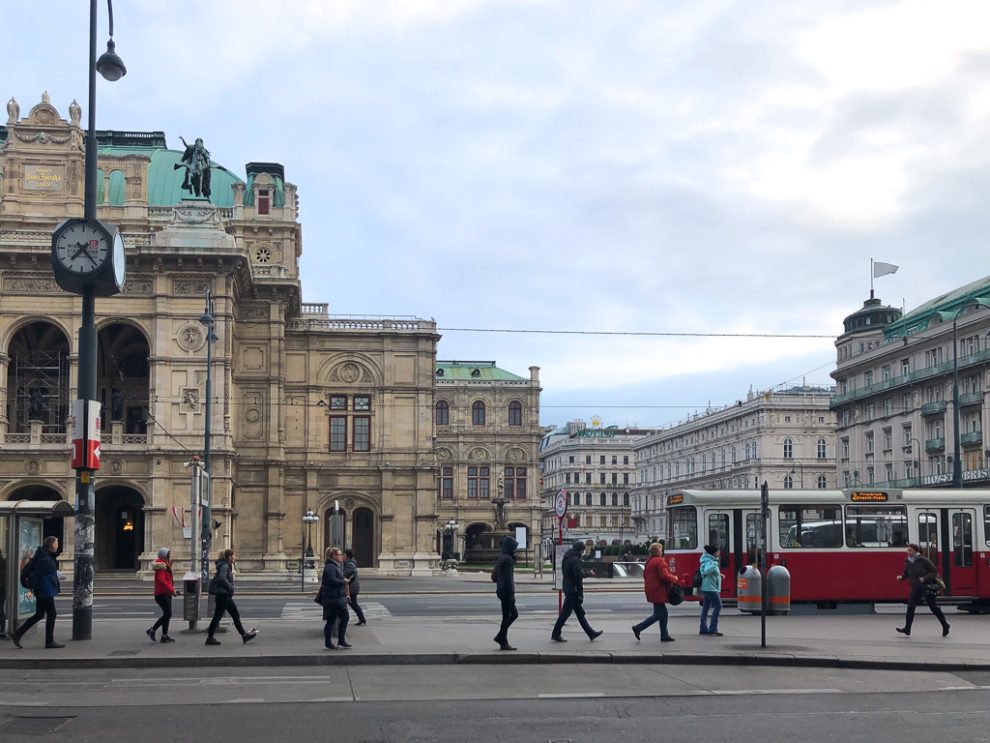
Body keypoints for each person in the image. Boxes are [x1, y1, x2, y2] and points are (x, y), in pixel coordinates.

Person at [11, 536, 63, 649]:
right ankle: (49, 641)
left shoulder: (42, 556)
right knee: (52, 614)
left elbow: (31, 572)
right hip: (45, 591)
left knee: (39, 614)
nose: (58, 545)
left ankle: (17, 634)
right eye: (56, 543)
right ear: (52, 545)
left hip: (42, 590)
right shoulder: (45, 559)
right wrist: (49, 591)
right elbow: (45, 577)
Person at [551, 540, 603, 642]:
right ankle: (555, 634)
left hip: (568, 587)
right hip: (573, 589)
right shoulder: (575, 560)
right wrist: (589, 573)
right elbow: (578, 574)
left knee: (579, 613)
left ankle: (591, 633)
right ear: (579, 550)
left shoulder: (567, 557)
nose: (583, 552)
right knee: (565, 614)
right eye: (582, 550)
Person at [896, 543, 950, 637]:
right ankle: (907, 629)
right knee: (910, 607)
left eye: (911, 550)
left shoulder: (924, 560)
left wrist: (924, 578)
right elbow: (907, 573)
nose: (908, 552)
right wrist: (901, 577)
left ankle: (945, 625)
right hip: (915, 587)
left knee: (933, 607)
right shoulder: (908, 561)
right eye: (908, 550)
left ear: (916, 551)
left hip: (927, 587)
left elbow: (934, 572)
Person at [205, 549, 258, 646]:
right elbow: (222, 578)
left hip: (225, 595)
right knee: (218, 617)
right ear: (230, 557)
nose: (235, 557)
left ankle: (244, 635)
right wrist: (230, 587)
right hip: (223, 595)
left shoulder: (226, 564)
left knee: (235, 614)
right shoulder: (225, 565)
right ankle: (210, 638)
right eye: (234, 555)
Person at [631, 541, 677, 642]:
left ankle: (664, 635)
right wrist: (674, 578)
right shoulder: (660, 561)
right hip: (659, 590)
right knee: (658, 614)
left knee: (663, 613)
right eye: (660, 549)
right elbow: (664, 577)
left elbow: (644, 576)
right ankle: (638, 628)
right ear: (657, 551)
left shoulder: (649, 561)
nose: (662, 551)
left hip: (652, 590)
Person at [320, 547, 351, 649]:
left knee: (333, 620)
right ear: (333, 556)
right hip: (334, 599)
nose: (341, 556)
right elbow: (331, 581)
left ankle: (334, 642)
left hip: (335, 598)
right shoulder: (331, 567)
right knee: (342, 618)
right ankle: (335, 642)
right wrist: (344, 581)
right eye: (338, 554)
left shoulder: (333, 566)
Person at [493, 535, 518, 651]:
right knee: (509, 616)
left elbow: (494, 577)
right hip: (507, 592)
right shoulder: (508, 559)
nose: (515, 550)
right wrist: (512, 594)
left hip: (501, 590)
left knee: (511, 615)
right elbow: (509, 579)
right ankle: (502, 639)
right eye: (514, 548)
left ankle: (501, 636)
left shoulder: (501, 557)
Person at [147, 548, 176, 643]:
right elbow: (161, 580)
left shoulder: (165, 565)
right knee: (168, 614)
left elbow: (168, 578)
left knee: (167, 615)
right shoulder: (161, 566)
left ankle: (164, 636)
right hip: (162, 594)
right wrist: (172, 590)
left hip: (166, 593)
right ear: (164, 556)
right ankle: (152, 630)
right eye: (168, 555)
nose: (169, 556)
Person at [698, 544, 724, 636]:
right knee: (718, 606)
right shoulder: (711, 562)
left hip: (707, 587)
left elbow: (709, 572)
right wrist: (715, 564)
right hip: (710, 588)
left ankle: (703, 628)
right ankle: (713, 628)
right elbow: (707, 571)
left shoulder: (708, 560)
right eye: (717, 551)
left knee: (705, 608)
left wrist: (720, 576)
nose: (719, 553)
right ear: (714, 553)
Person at [343, 549, 367, 626]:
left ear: (347, 556)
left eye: (343, 555)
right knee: (353, 604)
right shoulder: (349, 563)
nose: (342, 556)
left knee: (352, 604)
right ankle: (362, 619)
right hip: (353, 587)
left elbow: (344, 575)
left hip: (352, 588)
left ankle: (361, 619)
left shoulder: (349, 564)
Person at [0, 548, 7, 638]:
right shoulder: (5, 562)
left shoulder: (4, 563)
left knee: (0, 609)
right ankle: (2, 629)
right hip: (3, 588)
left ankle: (2, 630)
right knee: (1, 608)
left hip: (1, 587)